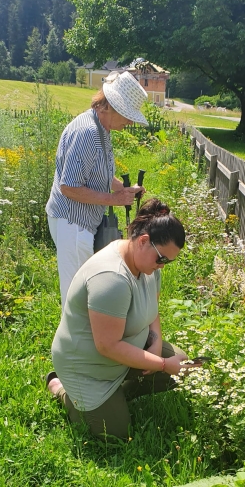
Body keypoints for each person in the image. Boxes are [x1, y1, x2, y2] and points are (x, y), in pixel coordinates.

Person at [46, 199, 193, 440]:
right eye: (161, 259)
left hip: (121, 355)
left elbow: (152, 308)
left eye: (168, 262)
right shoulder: (112, 278)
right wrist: (163, 364)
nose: (162, 266)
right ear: (143, 241)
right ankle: (62, 389)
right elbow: (107, 345)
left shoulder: (146, 264)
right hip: (89, 367)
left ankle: (117, 394)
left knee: (184, 366)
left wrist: (155, 344)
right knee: (115, 435)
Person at [46, 71, 148, 308]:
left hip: (81, 223)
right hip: (72, 223)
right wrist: (114, 199)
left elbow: (97, 173)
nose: (130, 122)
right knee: (76, 297)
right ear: (109, 106)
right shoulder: (87, 133)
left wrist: (123, 189)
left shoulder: (102, 128)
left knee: (84, 289)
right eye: (128, 115)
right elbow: (68, 187)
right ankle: (74, 344)